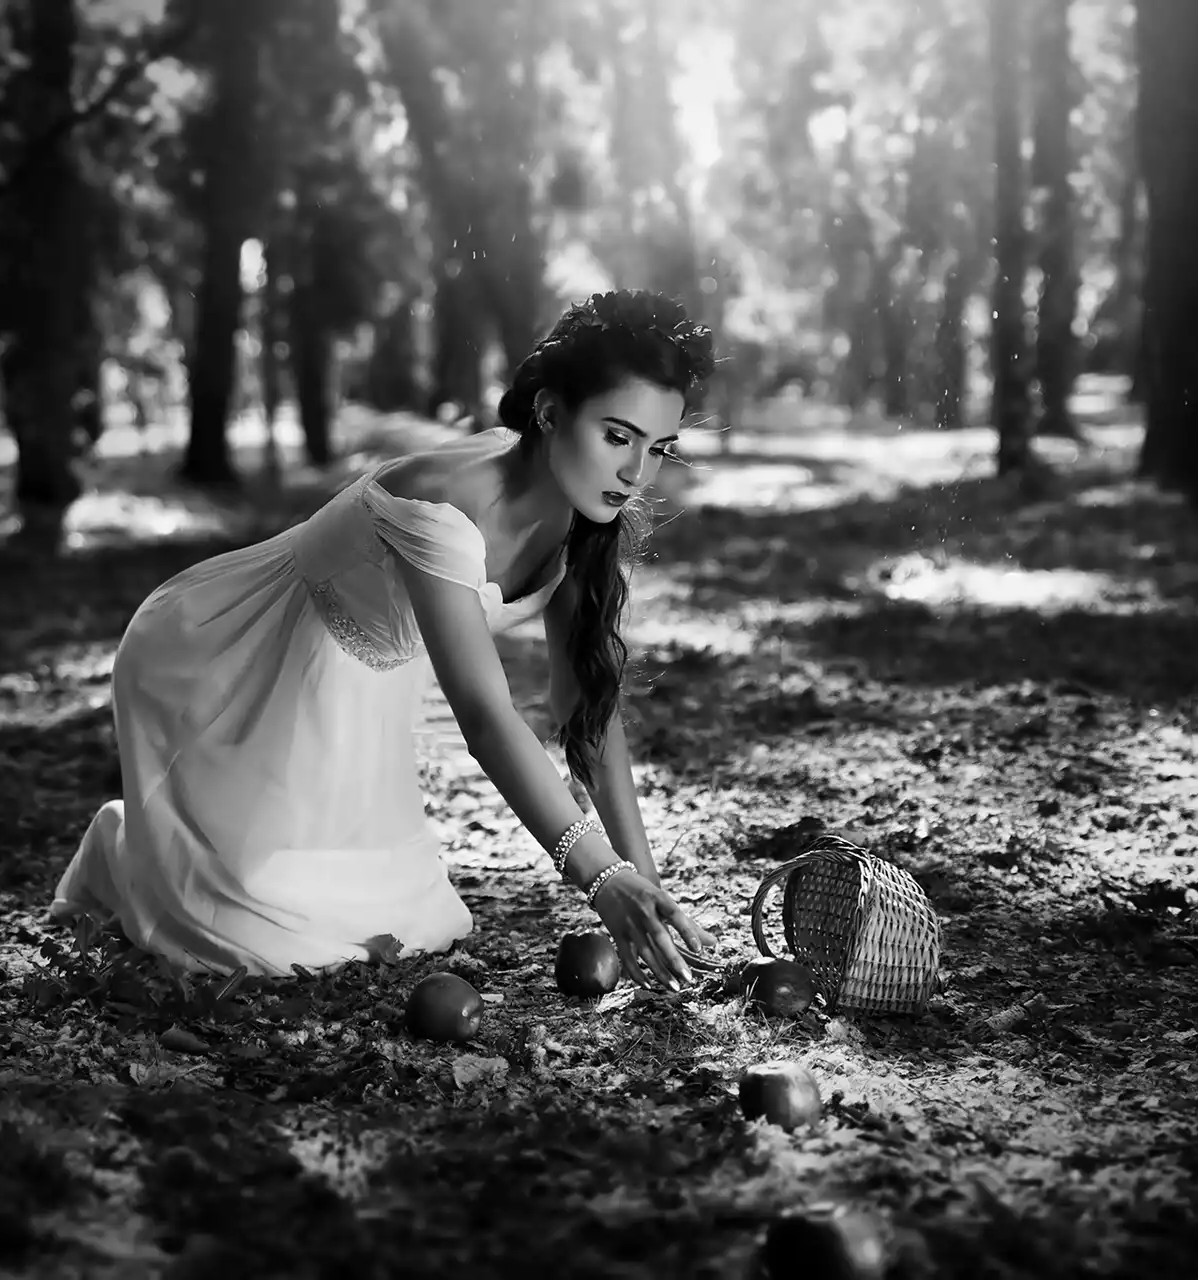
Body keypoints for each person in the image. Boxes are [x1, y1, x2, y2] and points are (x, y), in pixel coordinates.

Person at [52, 289, 719, 992]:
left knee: (405, 925)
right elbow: (487, 718)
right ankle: (124, 849)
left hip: (355, 694)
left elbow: (589, 704)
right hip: (234, 657)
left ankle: (188, 851)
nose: (637, 473)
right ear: (551, 413)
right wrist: (599, 878)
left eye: (659, 448)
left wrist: (645, 886)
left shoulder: (581, 508)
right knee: (254, 942)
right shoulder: (447, 508)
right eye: (617, 436)